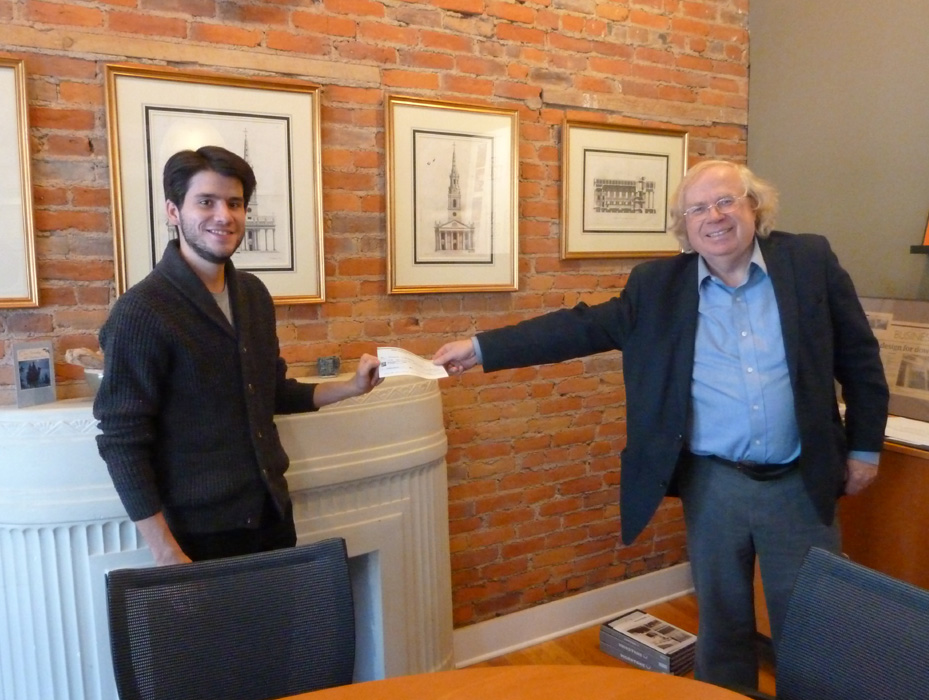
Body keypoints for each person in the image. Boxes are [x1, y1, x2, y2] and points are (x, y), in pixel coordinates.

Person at [432, 159, 889, 690]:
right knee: (722, 625)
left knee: (812, 628)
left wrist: (864, 449)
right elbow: (580, 328)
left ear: (754, 206)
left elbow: (860, 358)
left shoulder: (809, 261)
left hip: (800, 481)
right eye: (698, 209)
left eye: (726, 201)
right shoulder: (658, 286)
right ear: (684, 226)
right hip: (714, 485)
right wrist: (480, 348)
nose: (714, 217)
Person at [94, 146, 382, 566]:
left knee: (286, 614)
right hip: (198, 536)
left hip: (272, 515)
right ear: (173, 211)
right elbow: (121, 439)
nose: (224, 216)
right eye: (206, 202)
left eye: (234, 203)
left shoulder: (253, 295)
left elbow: (272, 392)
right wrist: (164, 549)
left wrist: (351, 387)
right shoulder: (141, 311)